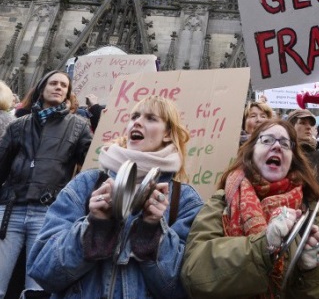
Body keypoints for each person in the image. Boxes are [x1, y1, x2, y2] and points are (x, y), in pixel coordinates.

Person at [28, 96, 203, 298]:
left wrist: (152, 232)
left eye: (151, 118)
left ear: (168, 134)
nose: (137, 122)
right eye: (134, 116)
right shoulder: (86, 184)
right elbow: (43, 271)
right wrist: (94, 227)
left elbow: (180, 290)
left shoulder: (184, 200)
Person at [180, 119, 319, 298]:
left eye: (285, 144)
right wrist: (263, 246)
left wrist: (315, 269)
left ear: (293, 159)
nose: (277, 146)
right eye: (267, 140)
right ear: (251, 152)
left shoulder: (311, 210)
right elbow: (194, 274)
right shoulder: (222, 202)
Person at [0, 70, 93, 297]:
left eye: (64, 85)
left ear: (68, 94)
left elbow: (90, 163)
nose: (59, 87)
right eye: (54, 83)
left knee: (37, 290)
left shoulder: (78, 126)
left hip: (48, 213)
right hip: (11, 210)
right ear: (42, 88)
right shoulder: (18, 125)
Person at [286, 109, 319, 176]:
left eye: (311, 124)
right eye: (302, 123)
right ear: (291, 127)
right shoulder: (284, 153)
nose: (309, 127)